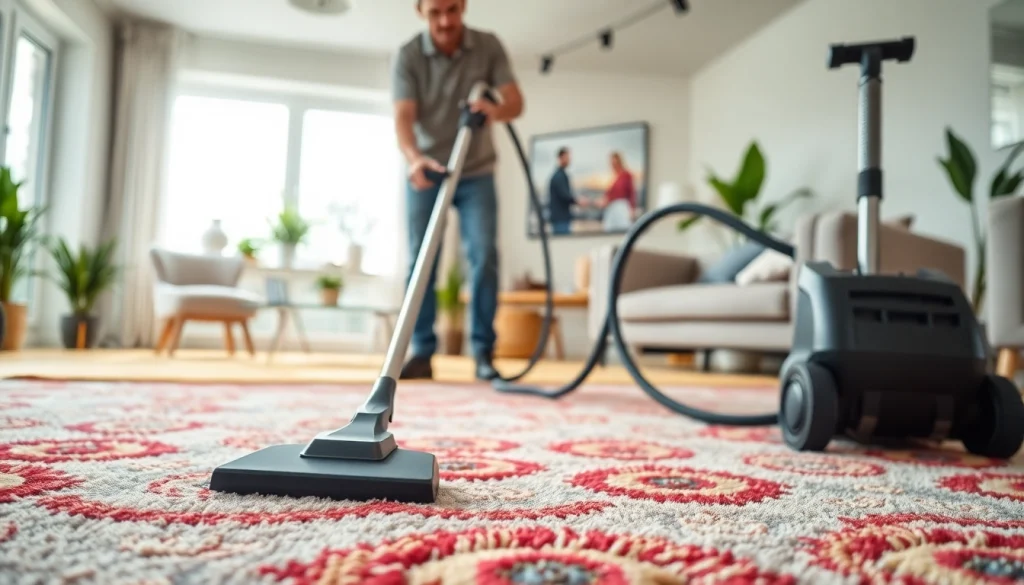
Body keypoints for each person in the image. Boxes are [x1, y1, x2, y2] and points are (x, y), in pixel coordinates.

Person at [392, 0, 524, 381]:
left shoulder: (487, 46)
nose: (445, 21)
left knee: (483, 255)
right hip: (428, 170)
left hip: (476, 170)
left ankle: (483, 353)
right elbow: (403, 117)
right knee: (422, 260)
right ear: (420, 11)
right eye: (435, 13)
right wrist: (414, 158)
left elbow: (515, 102)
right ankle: (421, 352)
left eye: (452, 9)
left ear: (464, 6)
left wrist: (492, 110)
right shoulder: (409, 55)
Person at [597, 152, 636, 232]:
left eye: (614, 162)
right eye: (611, 162)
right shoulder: (613, 177)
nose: (613, 165)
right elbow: (609, 194)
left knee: (623, 228)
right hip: (611, 207)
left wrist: (632, 208)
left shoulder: (626, 175)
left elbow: (631, 193)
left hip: (621, 207)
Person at [547, 147, 579, 235]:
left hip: (560, 218)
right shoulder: (559, 176)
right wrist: (578, 201)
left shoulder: (560, 175)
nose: (569, 160)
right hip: (561, 219)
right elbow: (565, 195)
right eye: (567, 157)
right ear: (560, 158)